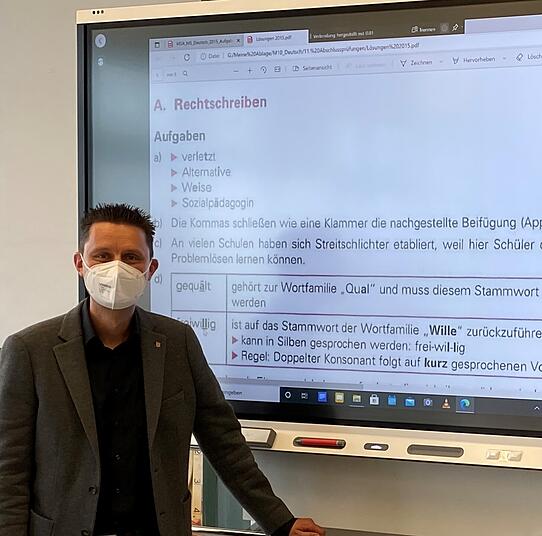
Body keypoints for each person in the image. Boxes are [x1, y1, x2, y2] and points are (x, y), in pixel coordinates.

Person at [0, 204, 324, 536]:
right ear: (80, 264)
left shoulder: (177, 343)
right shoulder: (29, 351)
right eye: (102, 256)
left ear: (150, 268)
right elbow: (9, 468)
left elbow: (223, 441)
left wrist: (280, 522)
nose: (116, 268)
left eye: (131, 257)